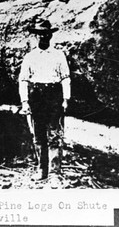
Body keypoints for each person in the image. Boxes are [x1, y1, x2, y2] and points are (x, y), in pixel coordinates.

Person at [18, 18, 71, 180]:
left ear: (50, 36)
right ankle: (42, 170)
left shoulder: (59, 55)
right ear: (36, 36)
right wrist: (25, 101)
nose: (43, 37)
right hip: (37, 98)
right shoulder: (30, 57)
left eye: (46, 34)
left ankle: (55, 173)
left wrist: (66, 98)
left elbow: (66, 78)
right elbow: (23, 80)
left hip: (53, 96)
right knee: (39, 135)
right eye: (40, 34)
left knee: (54, 135)